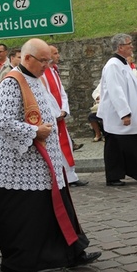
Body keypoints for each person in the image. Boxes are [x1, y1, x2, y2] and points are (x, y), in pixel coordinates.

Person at [0, 38, 101, 272]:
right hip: (20, 165)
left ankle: (72, 252)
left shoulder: (36, 78)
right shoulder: (12, 82)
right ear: (27, 58)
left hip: (45, 160)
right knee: (29, 217)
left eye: (49, 60)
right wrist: (35, 131)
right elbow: (4, 123)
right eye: (43, 61)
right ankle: (23, 263)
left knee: (57, 209)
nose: (48, 65)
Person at [97, 33, 137, 186]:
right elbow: (115, 91)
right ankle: (113, 176)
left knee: (134, 144)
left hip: (129, 113)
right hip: (118, 115)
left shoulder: (123, 64)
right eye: (129, 44)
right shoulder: (113, 65)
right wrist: (124, 113)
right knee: (115, 147)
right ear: (120, 47)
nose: (132, 46)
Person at [42, 45, 88, 187]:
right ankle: (63, 177)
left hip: (59, 116)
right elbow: (45, 95)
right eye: (55, 53)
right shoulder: (42, 73)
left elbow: (62, 92)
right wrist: (55, 113)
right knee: (58, 147)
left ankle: (71, 176)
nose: (58, 56)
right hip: (52, 118)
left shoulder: (54, 71)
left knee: (66, 144)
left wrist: (63, 110)